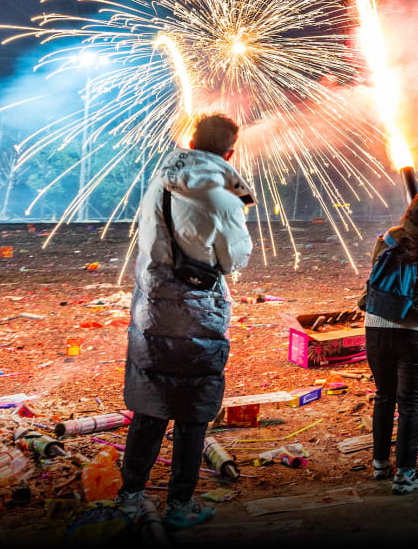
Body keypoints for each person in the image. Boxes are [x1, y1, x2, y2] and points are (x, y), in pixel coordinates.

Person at [118, 114, 253, 529]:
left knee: (151, 403)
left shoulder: (160, 177)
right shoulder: (224, 199)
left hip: (152, 306)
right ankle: (179, 505)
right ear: (230, 152)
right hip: (198, 313)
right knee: (194, 412)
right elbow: (234, 260)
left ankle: (131, 496)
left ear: (191, 141)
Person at [359, 192, 418, 494]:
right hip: (414, 331)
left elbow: (375, 268)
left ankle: (379, 465)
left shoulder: (388, 239)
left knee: (384, 395)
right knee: (410, 401)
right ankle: (405, 474)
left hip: (376, 325)